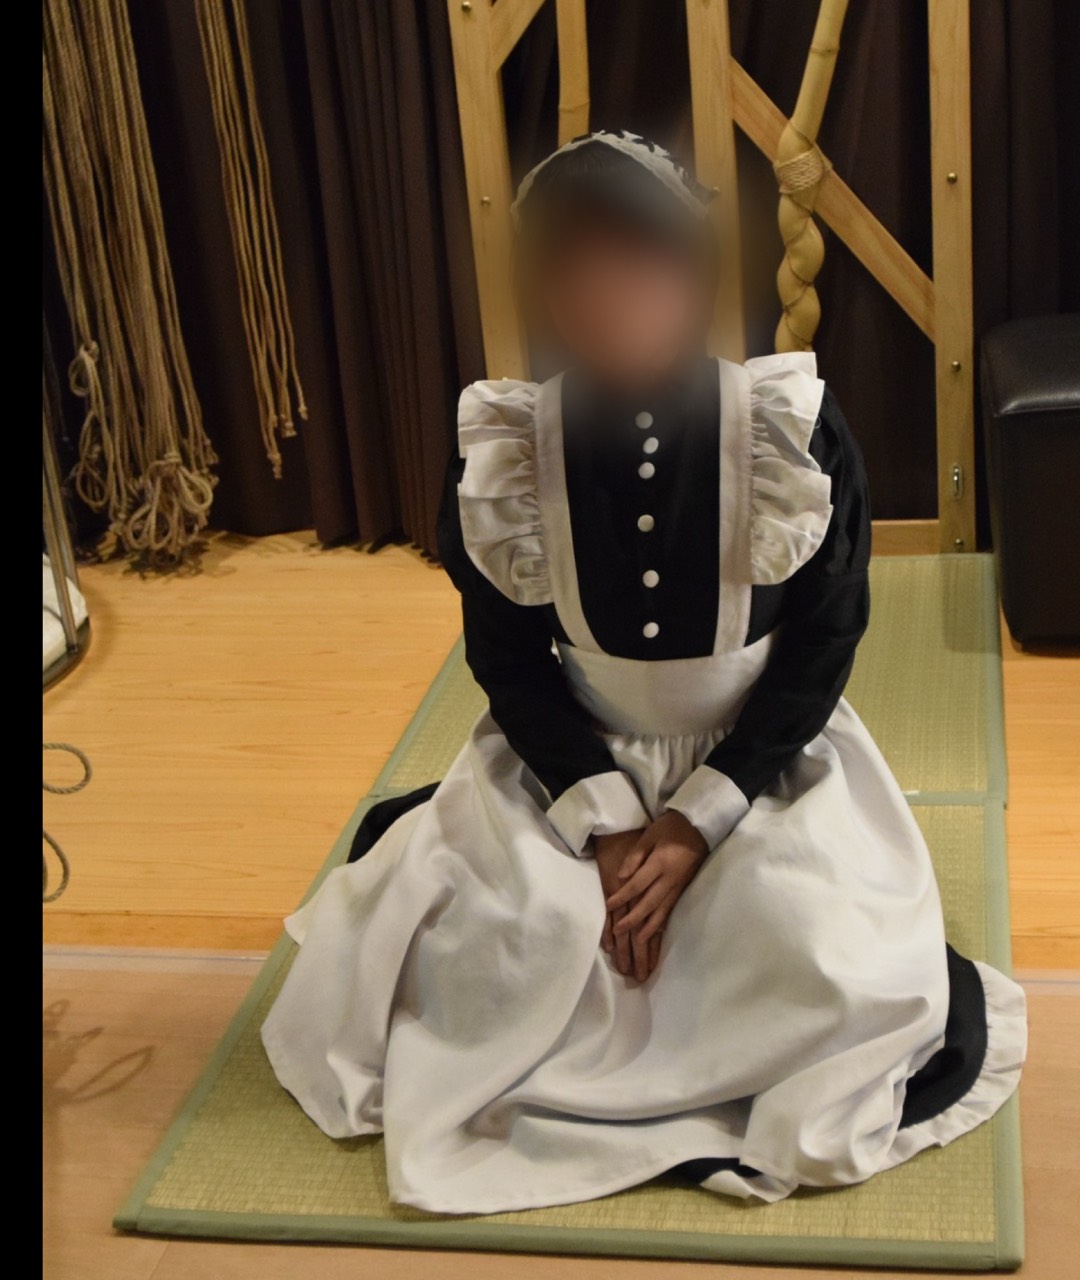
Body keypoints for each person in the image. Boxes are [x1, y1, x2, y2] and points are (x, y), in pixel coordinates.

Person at [262, 131, 1026, 1215]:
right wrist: (608, 823)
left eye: (637, 267)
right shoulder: (504, 449)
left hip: (761, 758)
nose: (607, 298)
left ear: (692, 275)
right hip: (572, 762)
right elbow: (507, 658)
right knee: (517, 939)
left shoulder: (790, 430)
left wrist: (697, 819)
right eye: (574, 272)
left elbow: (826, 636)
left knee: (808, 942)